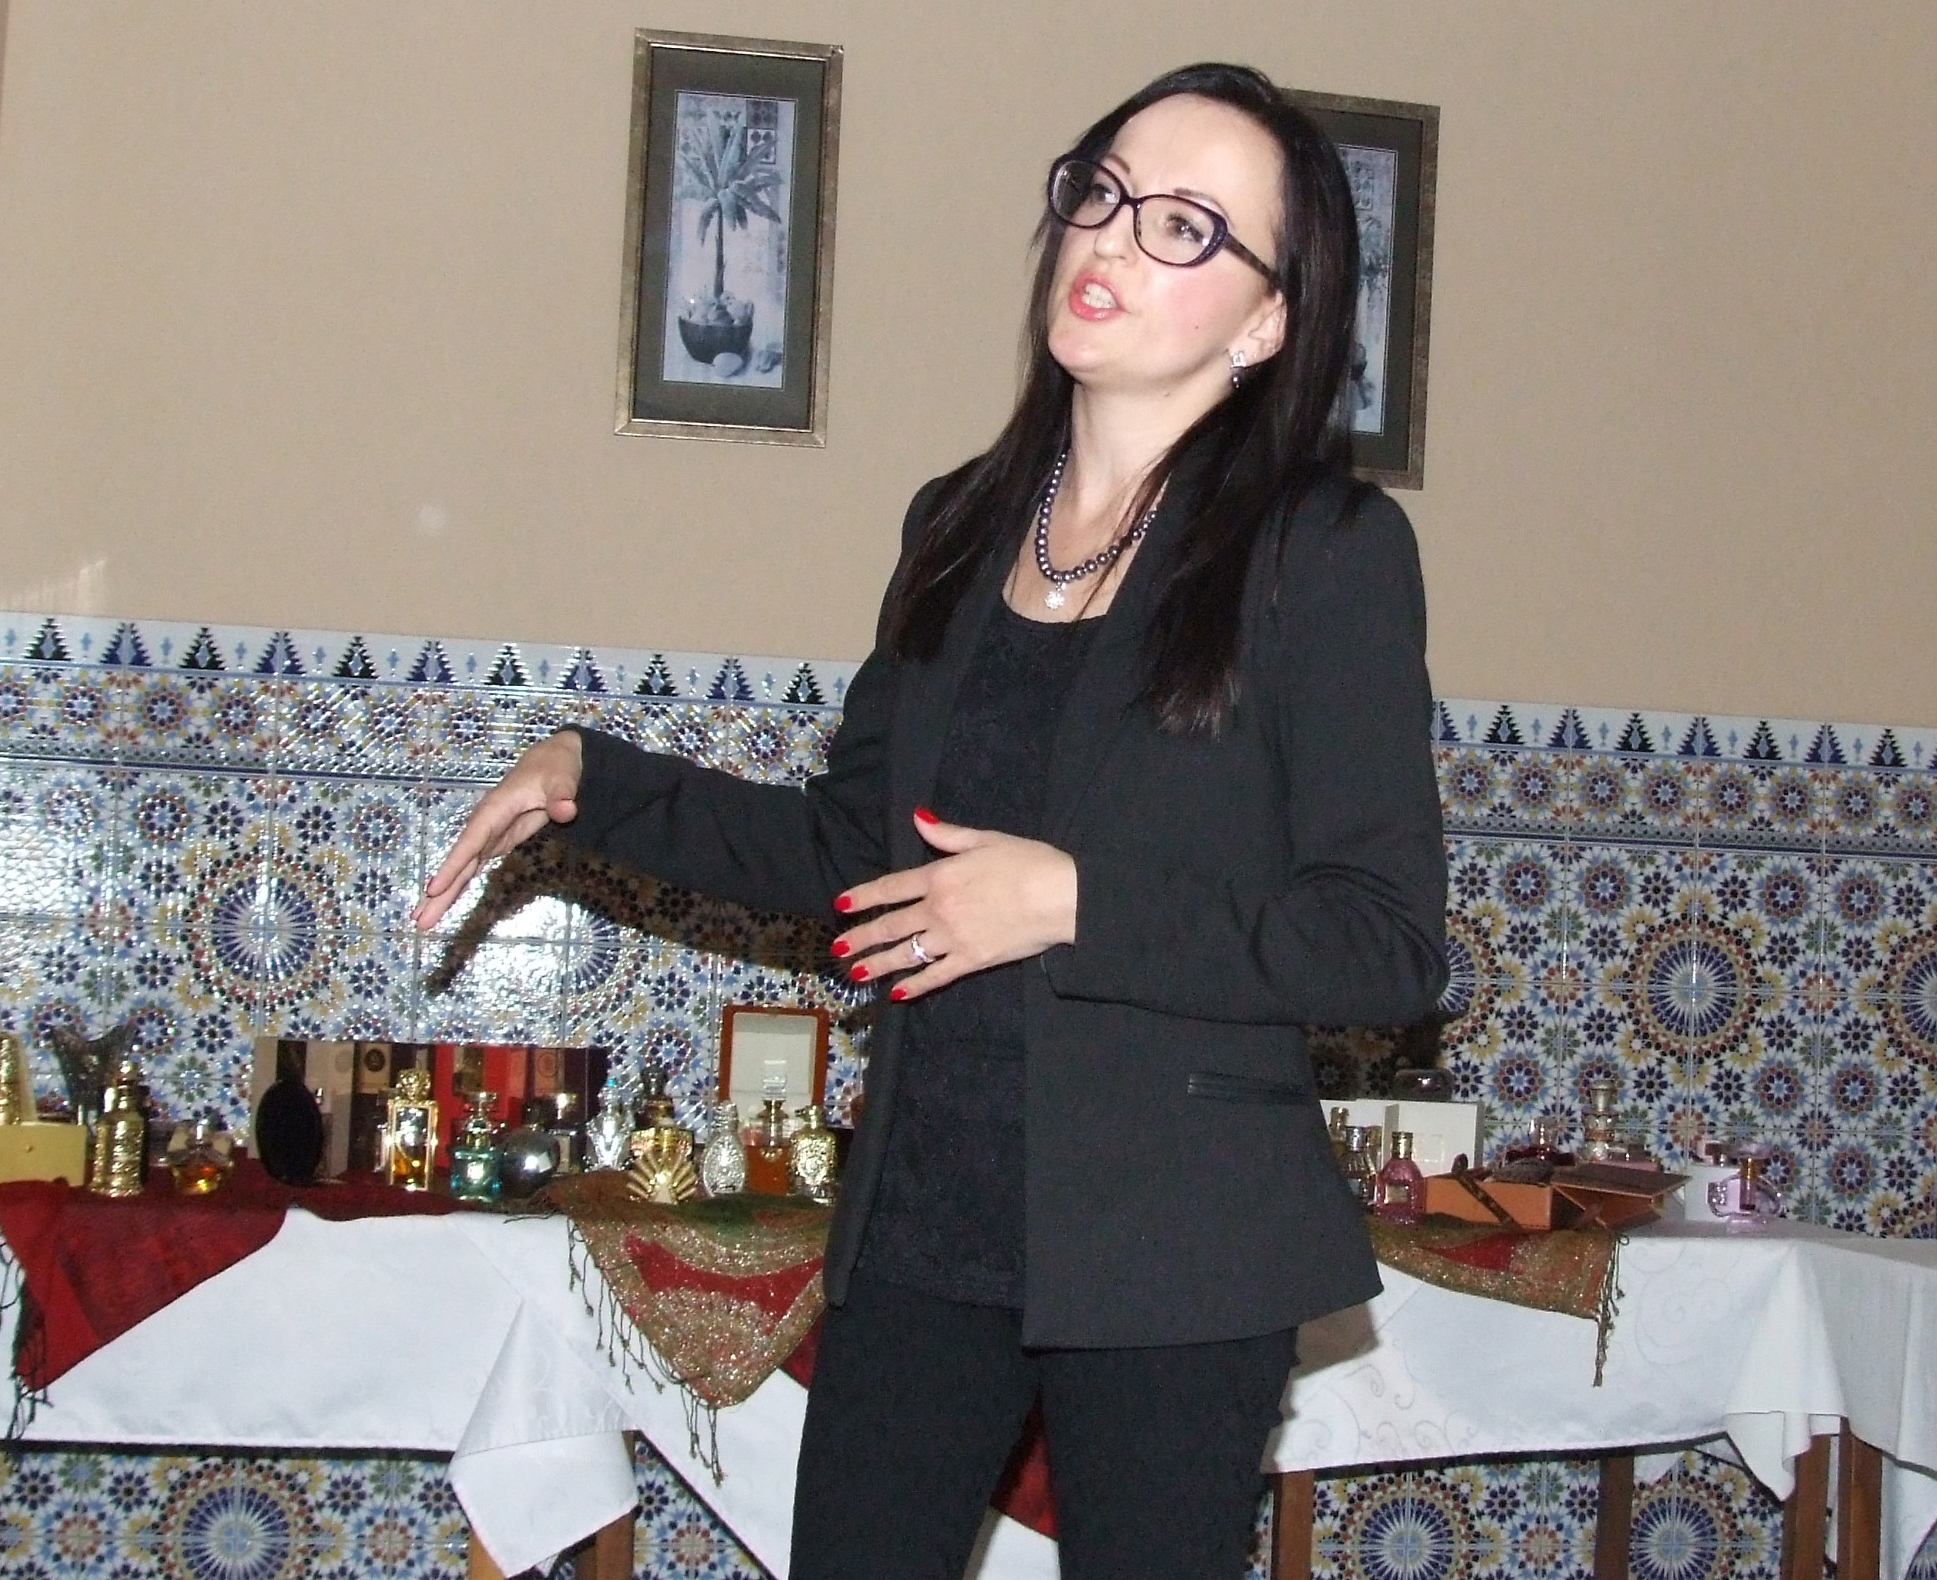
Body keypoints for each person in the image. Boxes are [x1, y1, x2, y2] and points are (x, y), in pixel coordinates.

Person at [417, 61, 1446, 1580]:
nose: (1111, 238)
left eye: (1183, 226)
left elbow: (1383, 946)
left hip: (1176, 1249)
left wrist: (1067, 903)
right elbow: (855, 858)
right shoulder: (957, 524)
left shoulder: (1327, 550)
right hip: (923, 1219)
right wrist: (599, 778)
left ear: (1266, 320)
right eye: (1102, 192)